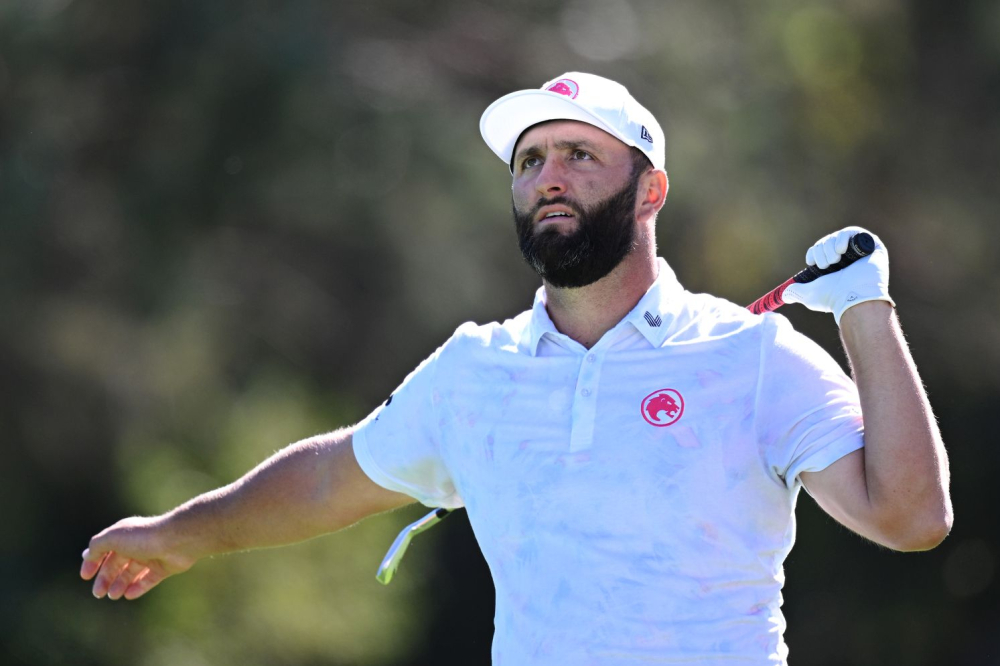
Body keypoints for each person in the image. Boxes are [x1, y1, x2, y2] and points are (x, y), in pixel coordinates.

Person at [81, 72, 953, 664]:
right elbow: (324, 481)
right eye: (531, 161)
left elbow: (911, 516)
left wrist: (863, 312)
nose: (549, 178)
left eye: (581, 155)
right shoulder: (474, 371)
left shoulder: (753, 356)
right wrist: (177, 534)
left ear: (649, 192)